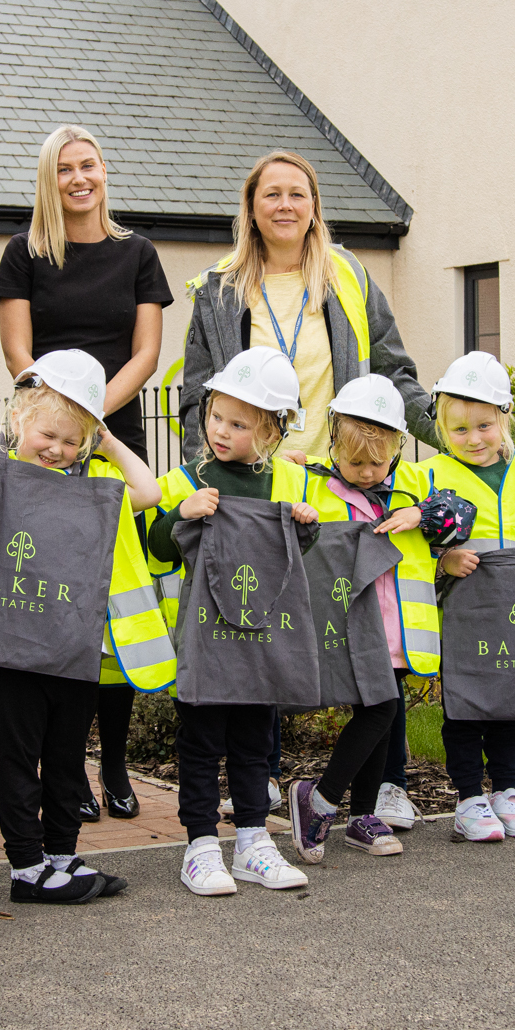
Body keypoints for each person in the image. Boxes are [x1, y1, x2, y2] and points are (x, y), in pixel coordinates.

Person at [0, 125, 174, 821]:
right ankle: (59, 773)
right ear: (50, 177)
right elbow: (17, 350)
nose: (78, 178)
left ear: (104, 171)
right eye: (64, 168)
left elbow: (147, 351)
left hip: (111, 440)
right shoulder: (25, 253)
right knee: (52, 611)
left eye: (88, 165)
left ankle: (116, 764)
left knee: (111, 611)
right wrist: (58, 417)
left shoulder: (138, 253)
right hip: (44, 443)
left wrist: (93, 418)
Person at [0, 350, 160, 905]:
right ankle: (25, 866)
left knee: (66, 758)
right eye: (48, 434)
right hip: (16, 651)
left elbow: (149, 491)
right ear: (21, 422)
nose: (58, 449)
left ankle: (61, 854)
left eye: (72, 440)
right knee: (18, 757)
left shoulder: (90, 484)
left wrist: (105, 439)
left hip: (72, 647)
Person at [146, 350, 320, 895]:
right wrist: (181, 514)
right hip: (204, 641)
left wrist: (306, 526)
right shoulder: (185, 478)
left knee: (252, 742)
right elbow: (156, 552)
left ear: (270, 431)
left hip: (260, 642)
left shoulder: (286, 482)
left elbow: (296, 560)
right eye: (216, 416)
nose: (221, 431)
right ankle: (200, 846)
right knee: (199, 742)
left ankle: (251, 842)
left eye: (239, 424)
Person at [178, 150, 432, 465]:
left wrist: (449, 431)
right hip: (252, 488)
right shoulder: (218, 290)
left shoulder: (348, 277)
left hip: (339, 482)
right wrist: (202, 479)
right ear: (252, 210)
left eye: (297, 195)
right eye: (272, 194)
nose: (285, 204)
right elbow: (196, 401)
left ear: (313, 208)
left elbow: (393, 373)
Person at [420, 352, 515, 843]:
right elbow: (411, 543)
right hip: (465, 607)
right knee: (467, 702)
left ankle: (506, 791)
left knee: (511, 698)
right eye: (460, 430)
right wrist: (442, 562)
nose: (473, 439)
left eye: (484, 426)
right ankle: (468, 799)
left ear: (503, 418)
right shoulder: (431, 474)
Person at [286, 375, 433, 861]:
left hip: (394, 628)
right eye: (355, 462)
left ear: (395, 449)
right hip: (350, 626)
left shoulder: (411, 487)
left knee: (383, 718)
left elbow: (460, 511)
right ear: (333, 445)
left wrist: (422, 516)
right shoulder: (314, 482)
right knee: (380, 709)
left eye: (377, 462)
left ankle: (362, 817)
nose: (367, 472)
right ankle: (321, 798)